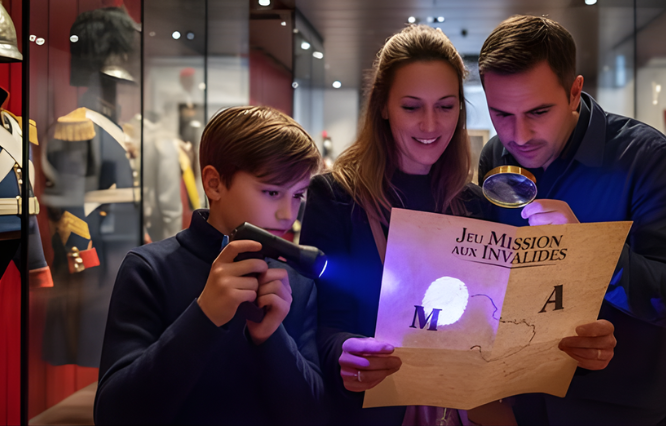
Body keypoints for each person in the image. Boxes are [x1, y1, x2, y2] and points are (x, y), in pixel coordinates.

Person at [301, 24, 616, 426]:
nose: (431, 126)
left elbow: (505, 326)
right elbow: (321, 324)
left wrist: (576, 347)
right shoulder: (335, 197)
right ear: (383, 105)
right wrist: (347, 351)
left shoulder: (474, 203)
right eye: (412, 107)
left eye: (446, 106)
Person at [476, 15, 666, 425]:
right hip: (519, 400)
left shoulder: (646, 157)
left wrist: (592, 252)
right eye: (501, 114)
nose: (520, 135)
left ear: (575, 92)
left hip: (616, 407)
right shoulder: (496, 155)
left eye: (539, 111)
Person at [94, 106, 325, 425]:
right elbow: (114, 415)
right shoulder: (149, 269)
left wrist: (272, 337)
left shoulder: (296, 281)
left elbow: (313, 416)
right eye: (272, 192)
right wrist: (204, 316)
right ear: (214, 183)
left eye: (298, 195)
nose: (288, 213)